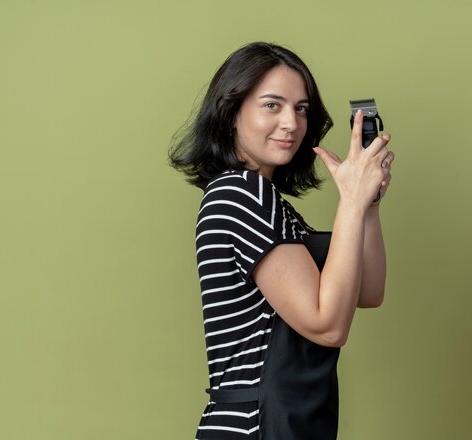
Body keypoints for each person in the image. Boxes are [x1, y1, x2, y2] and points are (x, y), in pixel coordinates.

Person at [168, 42, 394, 440]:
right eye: (272, 105)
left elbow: (369, 291)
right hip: (256, 426)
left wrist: (366, 205)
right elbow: (327, 325)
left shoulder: (271, 203)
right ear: (231, 113)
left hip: (291, 422)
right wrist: (352, 203)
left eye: (301, 108)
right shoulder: (241, 194)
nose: (291, 122)